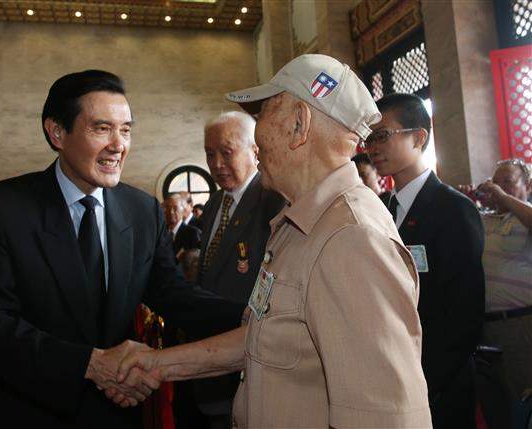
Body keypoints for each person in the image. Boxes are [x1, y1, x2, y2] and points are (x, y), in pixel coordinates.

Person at [114, 54, 432, 428]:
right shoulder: (300, 223)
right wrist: (159, 363)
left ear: (299, 124)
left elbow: (387, 416)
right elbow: (266, 337)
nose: (256, 136)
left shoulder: (352, 238)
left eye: (264, 113)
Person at [0, 70, 244, 428]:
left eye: (126, 130)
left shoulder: (142, 211)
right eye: (102, 128)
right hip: (27, 411)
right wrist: (89, 365)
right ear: (57, 133)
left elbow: (173, 294)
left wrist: (254, 317)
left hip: (115, 414)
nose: (118, 145)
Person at [365, 93, 485, 428]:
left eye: (382, 136)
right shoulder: (379, 208)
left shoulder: (453, 210)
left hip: (438, 382)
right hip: (389, 372)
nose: (373, 148)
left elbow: (465, 313)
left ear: (418, 137)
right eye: (369, 138)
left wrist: (424, 381)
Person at [193, 111, 285, 428]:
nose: (217, 164)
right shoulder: (214, 205)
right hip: (211, 362)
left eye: (226, 152)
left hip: (252, 361)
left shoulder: (273, 201)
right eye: (210, 154)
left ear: (254, 151)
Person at [460, 159, 532, 429]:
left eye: (508, 182)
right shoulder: (484, 218)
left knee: (525, 402)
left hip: (520, 324)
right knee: (497, 406)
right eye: (495, 182)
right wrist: (464, 202)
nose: (499, 187)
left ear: (528, 185)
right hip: (485, 327)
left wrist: (503, 197)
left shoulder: (525, 216)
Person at [163, 193, 201, 261]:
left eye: (175, 208)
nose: (171, 212)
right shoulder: (161, 232)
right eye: (168, 207)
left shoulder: (192, 233)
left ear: (182, 210)